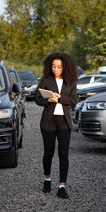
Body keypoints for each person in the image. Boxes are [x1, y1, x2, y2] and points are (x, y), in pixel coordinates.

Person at [35, 52, 78, 199]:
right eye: (53, 66)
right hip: (48, 121)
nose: (56, 69)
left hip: (64, 122)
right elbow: (37, 99)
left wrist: (60, 98)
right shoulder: (46, 80)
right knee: (48, 152)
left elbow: (74, 101)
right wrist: (49, 101)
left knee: (64, 154)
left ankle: (62, 186)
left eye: (59, 67)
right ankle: (47, 180)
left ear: (65, 67)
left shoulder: (70, 82)